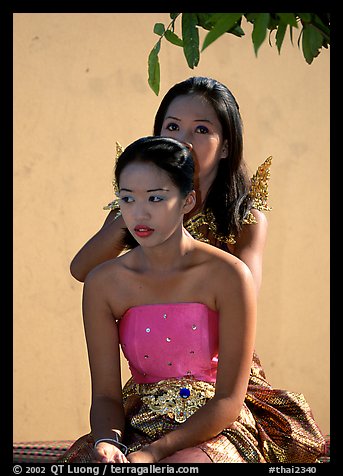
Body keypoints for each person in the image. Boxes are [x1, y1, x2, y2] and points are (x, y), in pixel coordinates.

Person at [59, 136, 325, 464]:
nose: (139, 213)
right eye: (127, 199)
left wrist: (154, 453)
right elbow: (104, 396)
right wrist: (107, 442)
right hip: (138, 424)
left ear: (187, 201)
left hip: (215, 427)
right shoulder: (103, 283)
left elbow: (228, 400)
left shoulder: (229, 275)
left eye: (155, 198)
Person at [70, 76, 270, 296]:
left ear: (225, 147)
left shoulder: (243, 220)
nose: (183, 140)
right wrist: (142, 208)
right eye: (173, 126)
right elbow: (82, 270)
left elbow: (245, 295)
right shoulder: (132, 211)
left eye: (201, 129)